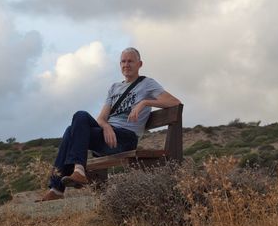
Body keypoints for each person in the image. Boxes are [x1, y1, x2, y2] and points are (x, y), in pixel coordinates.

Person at [38, 47, 181, 201]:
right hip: (108, 135)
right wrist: (106, 127)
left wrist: (145, 103)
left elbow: (174, 102)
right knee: (78, 118)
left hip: (125, 138)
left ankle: (58, 188)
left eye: (130, 61)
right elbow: (101, 118)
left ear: (140, 64)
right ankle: (76, 172)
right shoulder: (114, 87)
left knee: (70, 131)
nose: (126, 65)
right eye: (123, 61)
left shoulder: (147, 84)